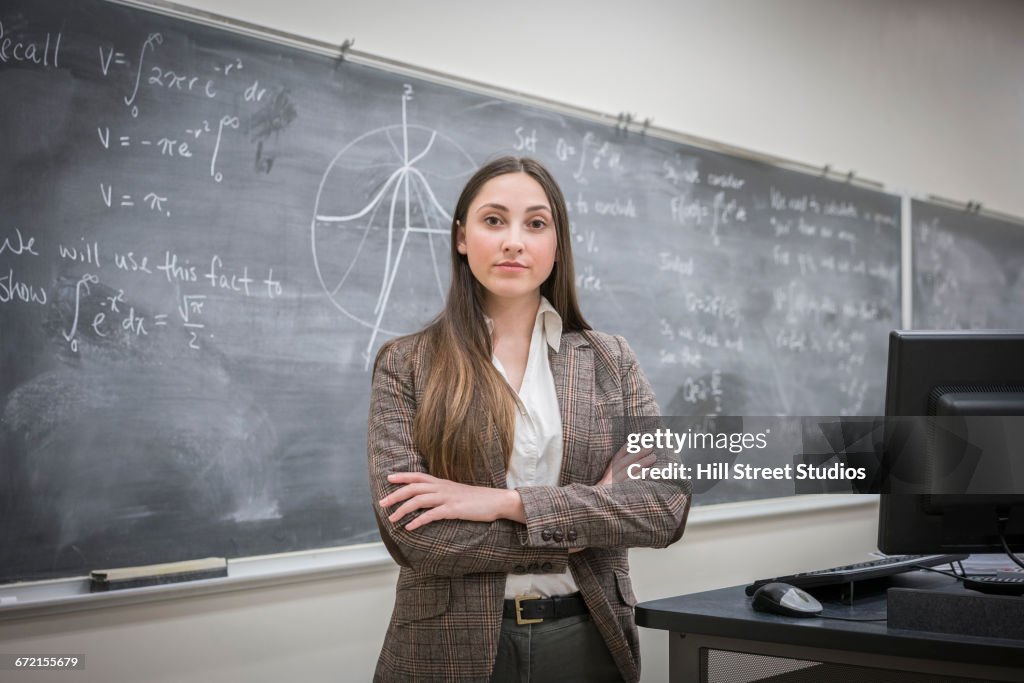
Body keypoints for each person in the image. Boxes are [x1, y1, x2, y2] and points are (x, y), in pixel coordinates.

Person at [368, 156, 691, 682]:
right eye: (494, 221)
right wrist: (584, 523)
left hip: (588, 636)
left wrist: (505, 503)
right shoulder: (407, 364)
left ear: (557, 245)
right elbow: (416, 538)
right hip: (448, 646)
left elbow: (664, 507)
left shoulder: (610, 360)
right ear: (461, 238)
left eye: (536, 224)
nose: (514, 240)